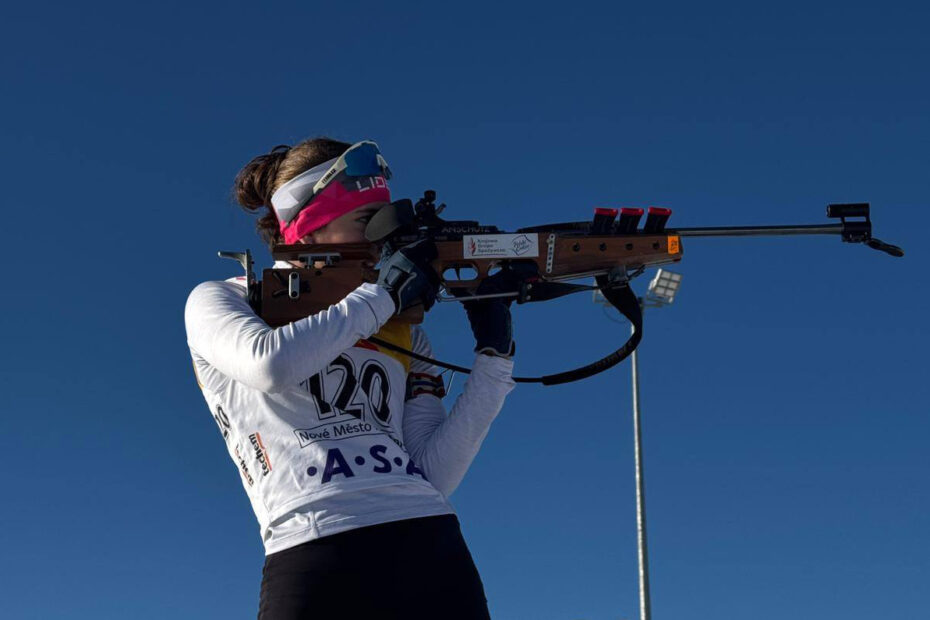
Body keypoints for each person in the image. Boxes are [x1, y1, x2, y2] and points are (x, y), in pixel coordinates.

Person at [184, 137, 516, 619]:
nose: (384, 244)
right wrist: (381, 298)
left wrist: (494, 359)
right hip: (312, 545)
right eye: (366, 222)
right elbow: (269, 364)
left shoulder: (400, 328)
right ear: (308, 226)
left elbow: (433, 473)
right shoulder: (223, 299)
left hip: (429, 542)